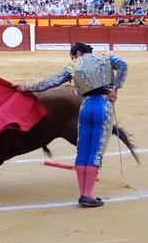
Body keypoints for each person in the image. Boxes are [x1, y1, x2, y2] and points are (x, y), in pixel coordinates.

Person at [18, 42, 129, 208]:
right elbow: (123, 65)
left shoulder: (73, 64)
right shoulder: (105, 56)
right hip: (103, 106)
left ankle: (84, 193)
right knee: (95, 151)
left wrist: (25, 86)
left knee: (83, 149)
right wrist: (115, 89)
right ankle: (88, 194)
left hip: (85, 107)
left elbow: (50, 82)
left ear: (77, 52)